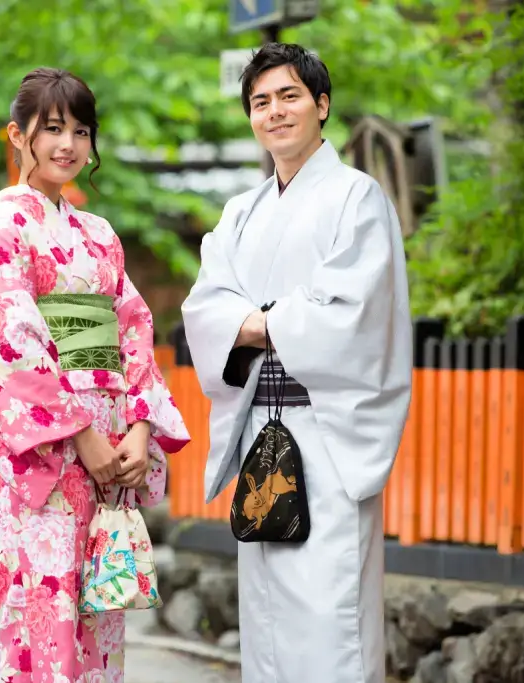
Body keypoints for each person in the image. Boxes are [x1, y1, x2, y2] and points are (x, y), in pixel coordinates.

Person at [0, 67, 190, 683]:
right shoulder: (5, 224)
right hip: (49, 450)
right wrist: (80, 434)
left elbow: (133, 327)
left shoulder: (99, 235)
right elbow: (5, 335)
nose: (68, 145)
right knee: (44, 604)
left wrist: (138, 426)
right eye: (52, 128)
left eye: (82, 131)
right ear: (17, 135)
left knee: (99, 610)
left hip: (109, 440)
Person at [180, 43, 413, 683]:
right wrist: (280, 319)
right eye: (260, 101)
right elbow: (204, 310)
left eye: (289, 96)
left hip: (328, 428)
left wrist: (255, 322)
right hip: (262, 423)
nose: (275, 112)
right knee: (268, 613)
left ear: (322, 105)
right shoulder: (240, 213)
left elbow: (350, 314)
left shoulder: (357, 199)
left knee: (329, 610)